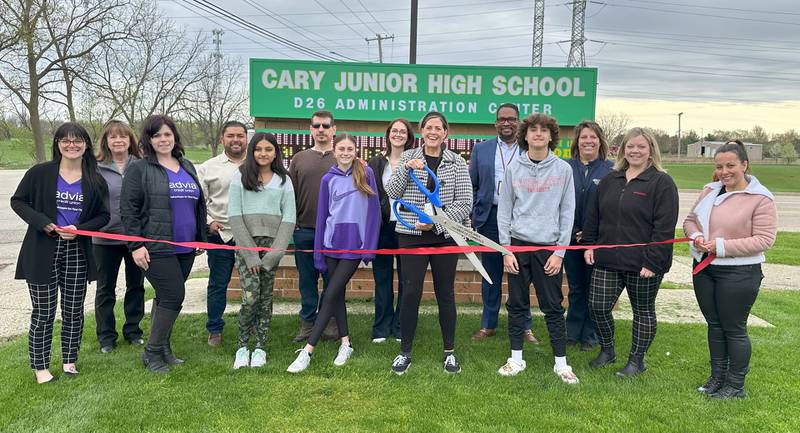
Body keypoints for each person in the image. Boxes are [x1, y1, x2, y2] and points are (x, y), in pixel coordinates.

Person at [11, 122, 110, 384]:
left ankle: (69, 360)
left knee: (74, 310)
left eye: (77, 140)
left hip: (76, 250)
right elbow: (18, 201)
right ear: (57, 144)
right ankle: (40, 366)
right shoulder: (40, 173)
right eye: (65, 140)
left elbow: (103, 216)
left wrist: (80, 229)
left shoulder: (95, 178)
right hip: (42, 250)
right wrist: (42, 222)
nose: (71, 145)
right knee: (43, 312)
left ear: (86, 145)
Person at [683, 140, 777, 399]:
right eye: (719, 166)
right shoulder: (710, 190)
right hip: (705, 268)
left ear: (745, 165)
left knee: (733, 328)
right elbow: (690, 221)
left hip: (739, 273)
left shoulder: (761, 198)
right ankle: (717, 377)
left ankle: (735, 385)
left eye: (730, 165)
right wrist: (697, 236)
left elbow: (764, 239)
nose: (724, 171)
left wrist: (721, 246)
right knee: (714, 325)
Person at [582, 127, 679, 377]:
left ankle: (637, 361)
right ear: (623, 149)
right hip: (608, 259)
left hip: (643, 264)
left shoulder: (661, 182)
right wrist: (590, 244)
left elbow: (664, 227)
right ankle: (607, 350)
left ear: (651, 151)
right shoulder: (610, 179)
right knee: (597, 306)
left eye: (641, 147)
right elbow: (594, 215)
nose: (635, 151)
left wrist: (653, 261)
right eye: (630, 146)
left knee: (643, 311)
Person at [385, 112, 472, 375]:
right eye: (428, 127)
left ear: (446, 133)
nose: (433, 132)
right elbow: (392, 192)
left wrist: (435, 222)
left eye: (438, 128)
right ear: (422, 131)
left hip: (445, 236)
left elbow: (465, 203)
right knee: (410, 292)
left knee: (445, 293)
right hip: (411, 235)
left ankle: (449, 352)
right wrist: (406, 169)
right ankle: (405, 352)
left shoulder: (457, 162)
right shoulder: (409, 158)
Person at [120, 114, 207, 374]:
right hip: (156, 246)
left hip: (185, 247)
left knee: (165, 297)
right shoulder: (139, 168)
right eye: (157, 135)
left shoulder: (187, 165)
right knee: (173, 294)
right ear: (148, 139)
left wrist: (200, 237)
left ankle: (164, 348)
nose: (163, 139)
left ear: (175, 137)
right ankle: (151, 352)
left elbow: (196, 204)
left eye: (167, 134)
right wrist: (136, 245)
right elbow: (128, 209)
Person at [287, 133, 380, 373]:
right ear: (334, 151)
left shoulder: (365, 173)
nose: (346, 153)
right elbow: (322, 217)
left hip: (354, 246)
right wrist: (319, 253)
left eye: (350, 148)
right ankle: (346, 343)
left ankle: (308, 350)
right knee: (335, 295)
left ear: (355, 150)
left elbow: (374, 214)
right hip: (330, 245)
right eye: (341, 149)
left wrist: (369, 247)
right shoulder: (328, 179)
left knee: (329, 293)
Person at [496, 113, 578, 383]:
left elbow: (568, 213)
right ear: (526, 135)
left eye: (544, 130)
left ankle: (561, 364)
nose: (539, 134)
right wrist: (506, 249)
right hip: (518, 247)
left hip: (549, 249)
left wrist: (559, 252)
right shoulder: (513, 168)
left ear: (552, 136)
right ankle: (516, 359)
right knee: (517, 305)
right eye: (533, 130)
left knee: (553, 307)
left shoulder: (563, 170)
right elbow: (505, 210)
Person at [468, 103, 538, 344]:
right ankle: (488, 324)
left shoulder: (529, 149)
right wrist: (475, 213)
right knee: (490, 274)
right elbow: (473, 185)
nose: (506, 123)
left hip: (521, 219)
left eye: (511, 119)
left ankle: (524, 325)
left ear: (519, 123)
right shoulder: (481, 150)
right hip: (489, 219)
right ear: (495, 123)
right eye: (502, 119)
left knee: (521, 275)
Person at [229, 132, 295, 369]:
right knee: (250, 298)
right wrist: (249, 254)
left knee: (265, 298)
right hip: (247, 246)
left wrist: (275, 253)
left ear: (275, 152)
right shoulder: (240, 176)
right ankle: (242, 346)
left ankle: (260, 347)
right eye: (258, 149)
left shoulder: (283, 180)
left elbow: (289, 218)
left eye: (268, 149)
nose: (263, 154)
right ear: (252, 151)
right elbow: (234, 216)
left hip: (272, 247)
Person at [93, 120, 146, 354]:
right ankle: (106, 337)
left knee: (136, 286)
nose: (118, 141)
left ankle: (133, 331)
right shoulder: (94, 167)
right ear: (106, 141)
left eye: (123, 136)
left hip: (135, 239)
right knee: (106, 288)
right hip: (104, 239)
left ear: (130, 140)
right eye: (113, 137)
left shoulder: (142, 165)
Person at [197, 120, 248, 347]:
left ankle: (252, 323)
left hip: (249, 235)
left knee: (251, 283)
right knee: (218, 283)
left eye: (240, 135)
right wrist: (208, 222)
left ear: (246, 138)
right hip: (220, 234)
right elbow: (199, 202)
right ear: (222, 139)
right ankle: (214, 328)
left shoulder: (257, 164)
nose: (236, 139)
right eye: (231, 136)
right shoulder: (208, 167)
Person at [288, 110, 337, 342]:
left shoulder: (343, 157)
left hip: (334, 234)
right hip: (305, 231)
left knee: (332, 281)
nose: (321, 130)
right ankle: (307, 323)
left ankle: (329, 323)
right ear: (310, 130)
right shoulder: (299, 159)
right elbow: (290, 196)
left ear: (333, 130)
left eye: (325, 126)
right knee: (307, 281)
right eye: (316, 126)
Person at [564, 120, 613, 352]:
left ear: (600, 141)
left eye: (593, 137)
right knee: (575, 287)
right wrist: (573, 231)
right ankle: (572, 332)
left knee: (595, 289)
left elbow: (614, 208)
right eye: (584, 137)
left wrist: (592, 233)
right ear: (577, 141)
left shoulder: (611, 170)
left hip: (597, 242)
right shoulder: (566, 167)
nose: (588, 141)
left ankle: (590, 335)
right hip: (571, 240)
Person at [367, 118, 414, 343]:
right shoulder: (375, 163)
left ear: (408, 136)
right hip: (383, 227)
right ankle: (381, 327)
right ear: (388, 135)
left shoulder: (415, 160)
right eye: (394, 131)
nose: (398, 134)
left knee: (407, 280)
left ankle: (399, 327)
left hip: (407, 227)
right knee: (382, 278)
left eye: (402, 131)